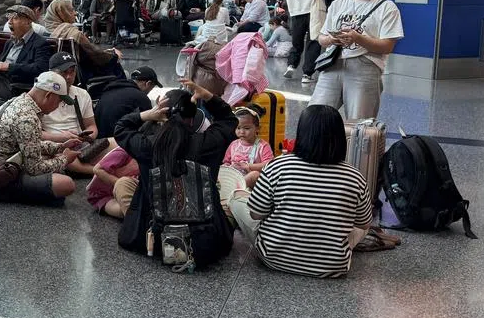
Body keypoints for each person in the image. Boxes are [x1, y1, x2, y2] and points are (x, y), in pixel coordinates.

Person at [229, 105, 372, 279]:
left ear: (301, 133)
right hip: (333, 267)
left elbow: (256, 214)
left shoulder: (279, 166)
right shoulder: (355, 176)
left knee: (237, 198)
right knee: (361, 226)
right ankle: (329, 250)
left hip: (273, 258)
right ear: (340, 137)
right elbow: (363, 224)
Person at [112, 79, 237, 227]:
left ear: (161, 116)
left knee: (124, 184)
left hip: (152, 235)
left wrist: (147, 115)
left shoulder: (146, 145)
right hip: (205, 237)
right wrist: (208, 97)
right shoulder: (208, 143)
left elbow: (121, 128)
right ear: (192, 120)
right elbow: (229, 120)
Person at [310, 0, 403, 120]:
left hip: (365, 68)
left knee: (359, 125)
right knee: (315, 118)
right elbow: (322, 37)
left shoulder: (386, 8)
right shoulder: (339, 3)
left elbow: (387, 46)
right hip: (333, 64)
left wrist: (358, 38)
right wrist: (332, 39)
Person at [0, 71, 79, 205]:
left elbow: (30, 146)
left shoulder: (19, 102)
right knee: (66, 184)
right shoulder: (27, 118)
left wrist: (60, 147)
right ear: (48, 95)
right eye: (60, 101)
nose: (58, 106)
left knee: (52, 162)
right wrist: (65, 159)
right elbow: (34, 168)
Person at [40, 53, 100, 176]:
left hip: (80, 143)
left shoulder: (82, 94)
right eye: (63, 73)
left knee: (117, 143)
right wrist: (61, 138)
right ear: (51, 74)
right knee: (61, 155)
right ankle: (99, 172)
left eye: (72, 72)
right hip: (54, 145)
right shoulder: (41, 96)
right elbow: (35, 134)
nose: (68, 77)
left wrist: (87, 137)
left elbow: (92, 126)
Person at [42, 0, 123, 81]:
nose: (75, 13)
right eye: (71, 10)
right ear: (62, 13)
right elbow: (96, 55)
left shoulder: (43, 34)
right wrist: (113, 54)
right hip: (82, 74)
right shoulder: (73, 34)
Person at [216, 104, 275, 215]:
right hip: (233, 178)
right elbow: (226, 162)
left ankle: (232, 194)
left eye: (246, 128)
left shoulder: (262, 146)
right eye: (238, 128)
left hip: (254, 184)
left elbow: (270, 164)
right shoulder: (234, 144)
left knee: (255, 174)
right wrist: (228, 167)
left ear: (257, 128)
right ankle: (228, 194)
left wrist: (249, 167)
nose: (242, 132)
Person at [283, 0, 333, 84]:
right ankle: (307, 74)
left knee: (296, 42)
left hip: (296, 14)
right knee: (313, 42)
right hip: (314, 13)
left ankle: (291, 65)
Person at [94, 66, 161, 139]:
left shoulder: (110, 90)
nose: (149, 92)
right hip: (117, 143)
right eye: (151, 88)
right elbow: (148, 125)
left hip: (98, 140)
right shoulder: (141, 97)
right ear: (148, 83)